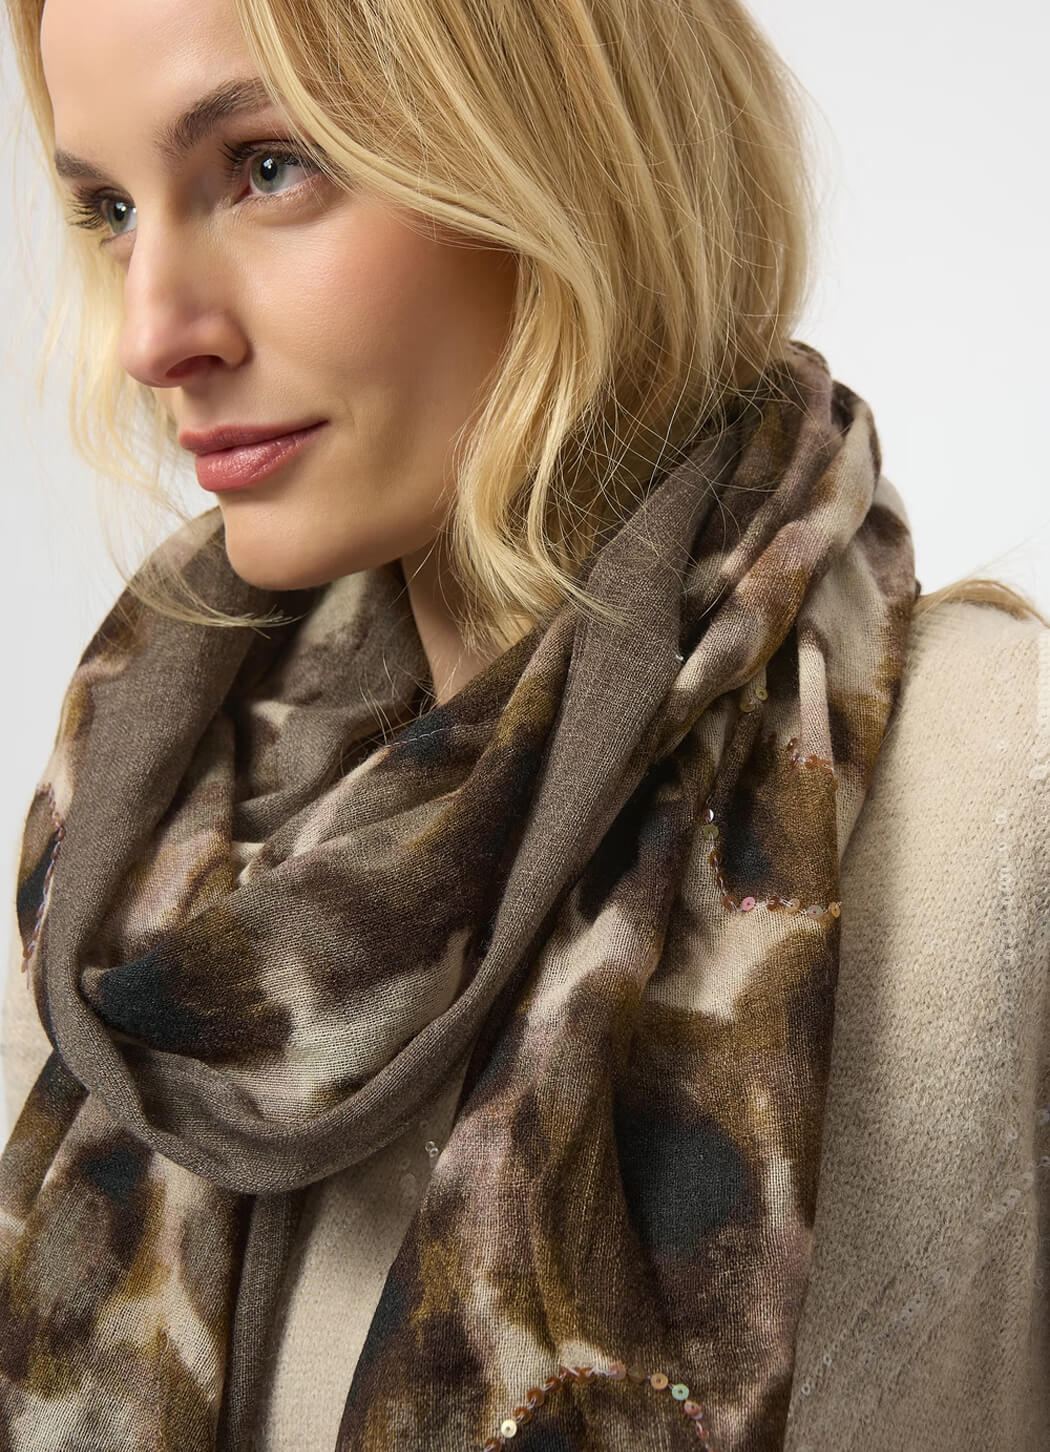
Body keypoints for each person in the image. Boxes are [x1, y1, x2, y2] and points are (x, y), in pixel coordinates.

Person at [0, 0, 1046, 1448]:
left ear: (566, 159)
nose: (153, 335)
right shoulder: (137, 846)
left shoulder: (1002, 798)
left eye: (268, 168)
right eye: (113, 211)